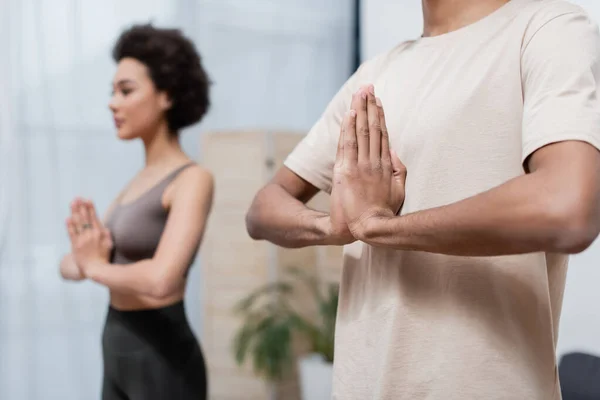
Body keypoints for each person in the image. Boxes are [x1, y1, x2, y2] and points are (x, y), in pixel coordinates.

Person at [245, 0, 600, 399]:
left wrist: (381, 226)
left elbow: (568, 206)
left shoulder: (547, 26)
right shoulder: (377, 72)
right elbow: (264, 207)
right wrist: (336, 225)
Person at [59, 24, 213, 400]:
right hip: (117, 344)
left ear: (167, 95)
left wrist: (93, 266)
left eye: (126, 90)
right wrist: (85, 256)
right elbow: (69, 265)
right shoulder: (135, 183)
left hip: (163, 358)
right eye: (112, 91)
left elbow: (162, 279)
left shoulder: (192, 179)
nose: (113, 102)